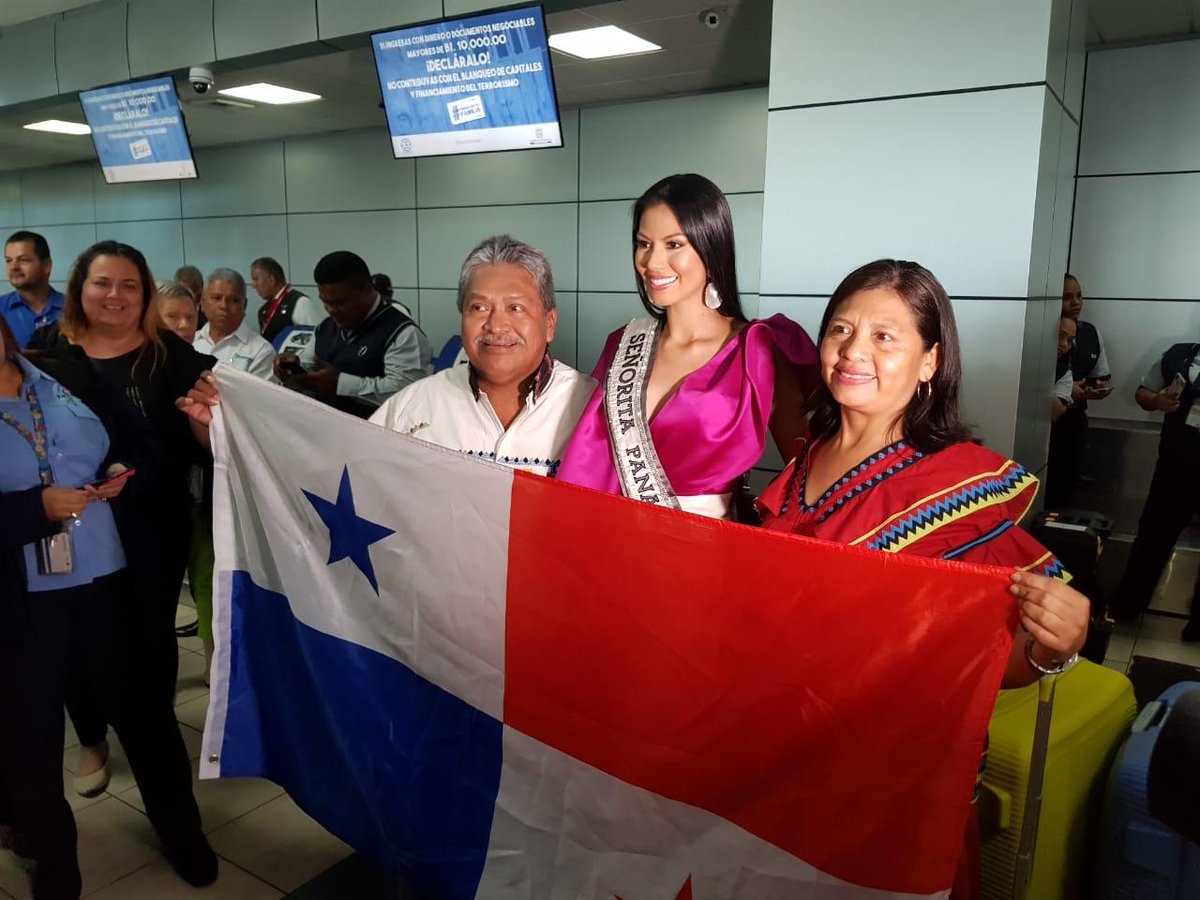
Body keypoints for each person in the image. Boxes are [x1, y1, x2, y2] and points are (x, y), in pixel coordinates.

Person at [754, 259, 1090, 900]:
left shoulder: (956, 485)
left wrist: (1052, 646)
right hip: (782, 756)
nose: (854, 351)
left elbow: (999, 654)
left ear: (930, 361)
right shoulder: (805, 457)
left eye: (886, 336)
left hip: (887, 783)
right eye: (841, 330)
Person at [28, 241, 219, 887]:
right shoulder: (44, 358)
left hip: (142, 541)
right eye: (102, 283)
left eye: (129, 285)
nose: (114, 295)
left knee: (143, 689)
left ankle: (179, 828)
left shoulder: (172, 359)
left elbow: (192, 448)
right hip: (51, 548)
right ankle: (89, 742)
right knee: (67, 669)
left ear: (145, 292)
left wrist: (129, 477)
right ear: (79, 287)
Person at [0, 313, 160, 899]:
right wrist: (34, 507)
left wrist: (118, 468)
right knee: (31, 739)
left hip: (103, 577)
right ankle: (55, 868)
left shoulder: (58, 375)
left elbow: (118, 440)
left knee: (139, 710)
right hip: (22, 602)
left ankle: (181, 831)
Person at [557, 173, 818, 519]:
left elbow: (805, 479)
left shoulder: (756, 351)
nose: (651, 262)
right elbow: (590, 457)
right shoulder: (624, 343)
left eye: (674, 244)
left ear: (711, 248)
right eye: (643, 243)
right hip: (613, 539)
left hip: (706, 552)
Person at [368, 235, 595, 474]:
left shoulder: (592, 410)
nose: (496, 326)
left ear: (549, 324)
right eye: (479, 308)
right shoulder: (411, 408)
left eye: (515, 308)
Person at [1111, 341, 1200, 641]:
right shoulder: (1178, 354)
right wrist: (1157, 399)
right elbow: (1142, 393)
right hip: (1175, 466)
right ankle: (1127, 607)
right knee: (1152, 536)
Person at [274, 251, 431, 418]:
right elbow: (310, 368)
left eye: (340, 303)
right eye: (325, 302)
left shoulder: (403, 333)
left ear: (367, 291)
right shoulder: (325, 328)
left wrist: (340, 383)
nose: (331, 310)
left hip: (376, 437)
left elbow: (405, 394)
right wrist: (294, 373)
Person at [1046, 273, 1111, 508]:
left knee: (1065, 486)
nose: (1076, 303)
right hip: (1041, 421)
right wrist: (1062, 388)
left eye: (1079, 296)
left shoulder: (1091, 333)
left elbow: (1101, 378)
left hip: (1073, 421)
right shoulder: (1038, 332)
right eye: (1067, 297)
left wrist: (1095, 390)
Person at [193, 268, 275, 378]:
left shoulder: (261, 351)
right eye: (217, 298)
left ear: (244, 305)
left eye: (234, 300)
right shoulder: (190, 342)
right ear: (202, 303)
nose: (224, 306)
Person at [2, 231, 64, 349]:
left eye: (23, 260)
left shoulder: (75, 308)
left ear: (46, 266)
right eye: (8, 260)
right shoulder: (1, 309)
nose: (14, 267)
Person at [250, 256, 324, 345]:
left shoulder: (300, 303)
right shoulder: (263, 310)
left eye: (256, 279)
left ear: (271, 280)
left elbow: (320, 337)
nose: (253, 285)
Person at [1051, 316, 1077, 423]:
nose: (1064, 344)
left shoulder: (1064, 373)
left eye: (1070, 341)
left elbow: (1054, 413)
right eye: (1060, 336)